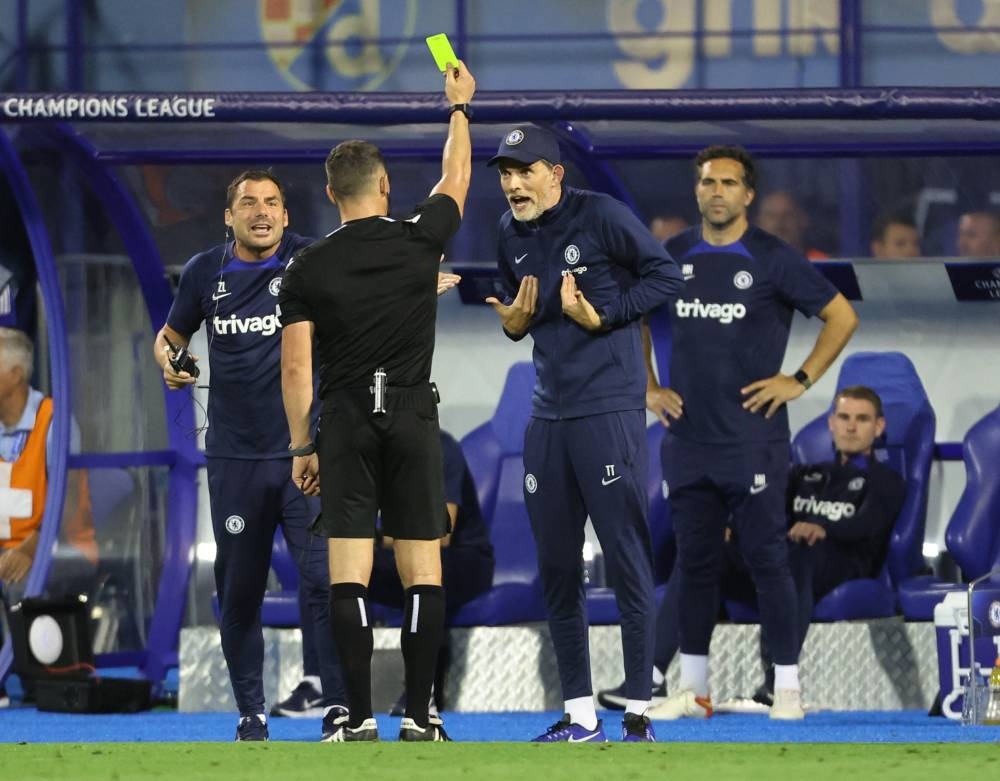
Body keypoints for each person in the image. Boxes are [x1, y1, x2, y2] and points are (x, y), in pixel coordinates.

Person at [279, 60, 475, 743]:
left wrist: (304, 446)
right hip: (415, 416)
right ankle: (420, 716)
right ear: (386, 188)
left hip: (345, 420)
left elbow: (297, 369)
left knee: (349, 575)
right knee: (424, 571)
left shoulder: (304, 267)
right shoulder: (419, 240)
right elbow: (456, 179)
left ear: (332, 193)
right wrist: (458, 109)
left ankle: (356, 717)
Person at [484, 124, 685, 743]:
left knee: (626, 560)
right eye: (505, 173)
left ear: (555, 174)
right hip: (547, 416)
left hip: (608, 410)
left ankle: (640, 712)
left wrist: (605, 315)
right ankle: (579, 716)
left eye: (525, 171)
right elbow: (525, 317)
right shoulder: (507, 235)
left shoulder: (602, 216)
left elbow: (667, 276)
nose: (514, 184)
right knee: (557, 569)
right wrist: (515, 327)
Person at [643, 145, 858, 722]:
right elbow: (632, 311)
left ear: (748, 194)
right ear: (696, 190)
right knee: (693, 563)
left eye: (728, 182)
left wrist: (800, 378)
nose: (716, 191)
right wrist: (648, 386)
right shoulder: (673, 253)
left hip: (753, 441)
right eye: (707, 181)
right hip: (686, 442)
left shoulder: (773, 258)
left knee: (769, 561)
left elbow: (842, 316)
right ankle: (696, 690)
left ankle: (786, 690)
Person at [153, 170, 348, 742]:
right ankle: (251, 715)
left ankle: (339, 708)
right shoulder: (203, 271)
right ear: (228, 216)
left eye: (271, 203)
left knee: (326, 580)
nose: (260, 212)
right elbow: (170, 337)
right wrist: (171, 361)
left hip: (305, 457)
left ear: (287, 216)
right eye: (248, 203)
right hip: (235, 459)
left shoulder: (314, 262)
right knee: (239, 588)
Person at [599, 385, 903, 711]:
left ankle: (777, 684)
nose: (851, 426)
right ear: (831, 423)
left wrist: (824, 527)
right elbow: (765, 513)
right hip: (784, 566)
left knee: (796, 555)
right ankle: (652, 677)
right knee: (702, 554)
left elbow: (868, 525)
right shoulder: (807, 474)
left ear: (879, 427)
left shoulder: (886, 480)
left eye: (862, 419)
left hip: (840, 563)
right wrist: (733, 527)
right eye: (844, 417)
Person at [0, 328, 97, 705]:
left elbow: (67, 507)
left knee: (18, 580)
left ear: (15, 375)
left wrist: (29, 550)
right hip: (11, 549)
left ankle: (33, 681)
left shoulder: (54, 421)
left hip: (60, 548)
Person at [370, 429, 494, 714]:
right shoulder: (376, 448)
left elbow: (440, 531)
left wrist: (370, 537)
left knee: (428, 578)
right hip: (399, 548)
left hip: (465, 558)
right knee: (339, 574)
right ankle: (327, 689)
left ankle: (425, 693)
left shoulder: (440, 447)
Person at [756, 190, 830, 260]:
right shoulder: (747, 264)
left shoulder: (822, 262)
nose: (779, 222)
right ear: (758, 223)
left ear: (802, 221)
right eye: (771, 216)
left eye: (788, 215)